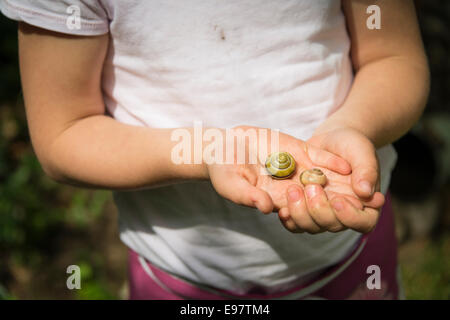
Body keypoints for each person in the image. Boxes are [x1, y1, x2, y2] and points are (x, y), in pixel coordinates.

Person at [1, 0, 429, 299]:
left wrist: (352, 126)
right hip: (179, 276)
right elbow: (64, 135)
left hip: (349, 255)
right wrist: (206, 152)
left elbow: (394, 57)